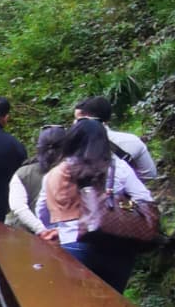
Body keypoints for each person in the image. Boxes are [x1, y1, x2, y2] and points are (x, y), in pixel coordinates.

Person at [40, 117, 155, 292]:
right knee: (111, 303)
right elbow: (144, 198)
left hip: (71, 242)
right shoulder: (117, 167)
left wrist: (53, 226)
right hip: (116, 247)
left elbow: (42, 209)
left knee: (71, 300)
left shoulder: (56, 172)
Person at [73, 95, 158, 183]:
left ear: (86, 119)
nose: (74, 123)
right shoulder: (132, 141)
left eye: (77, 119)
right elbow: (150, 174)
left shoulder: (73, 145)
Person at [7, 125, 68, 232]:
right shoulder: (75, 173)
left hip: (22, 235)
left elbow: (19, 208)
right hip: (63, 235)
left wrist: (41, 230)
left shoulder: (23, 173)